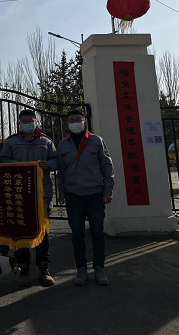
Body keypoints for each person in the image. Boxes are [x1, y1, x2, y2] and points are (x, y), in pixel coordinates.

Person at [0, 109, 59, 287]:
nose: (27, 123)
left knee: (43, 235)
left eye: (30, 120)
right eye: (24, 121)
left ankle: (43, 269)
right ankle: (23, 270)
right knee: (20, 234)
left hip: (42, 195)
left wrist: (49, 164)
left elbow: (57, 161)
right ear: (19, 123)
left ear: (35, 122)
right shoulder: (11, 141)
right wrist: (20, 165)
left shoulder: (46, 141)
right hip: (19, 195)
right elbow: (2, 160)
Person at [57, 109, 114, 286]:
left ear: (84, 122)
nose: (75, 123)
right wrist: (61, 193)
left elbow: (107, 167)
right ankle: (81, 269)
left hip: (95, 194)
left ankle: (99, 268)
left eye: (78, 119)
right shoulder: (63, 145)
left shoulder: (96, 141)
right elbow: (61, 171)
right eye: (71, 120)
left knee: (97, 232)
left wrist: (108, 190)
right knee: (77, 234)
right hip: (73, 195)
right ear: (67, 124)